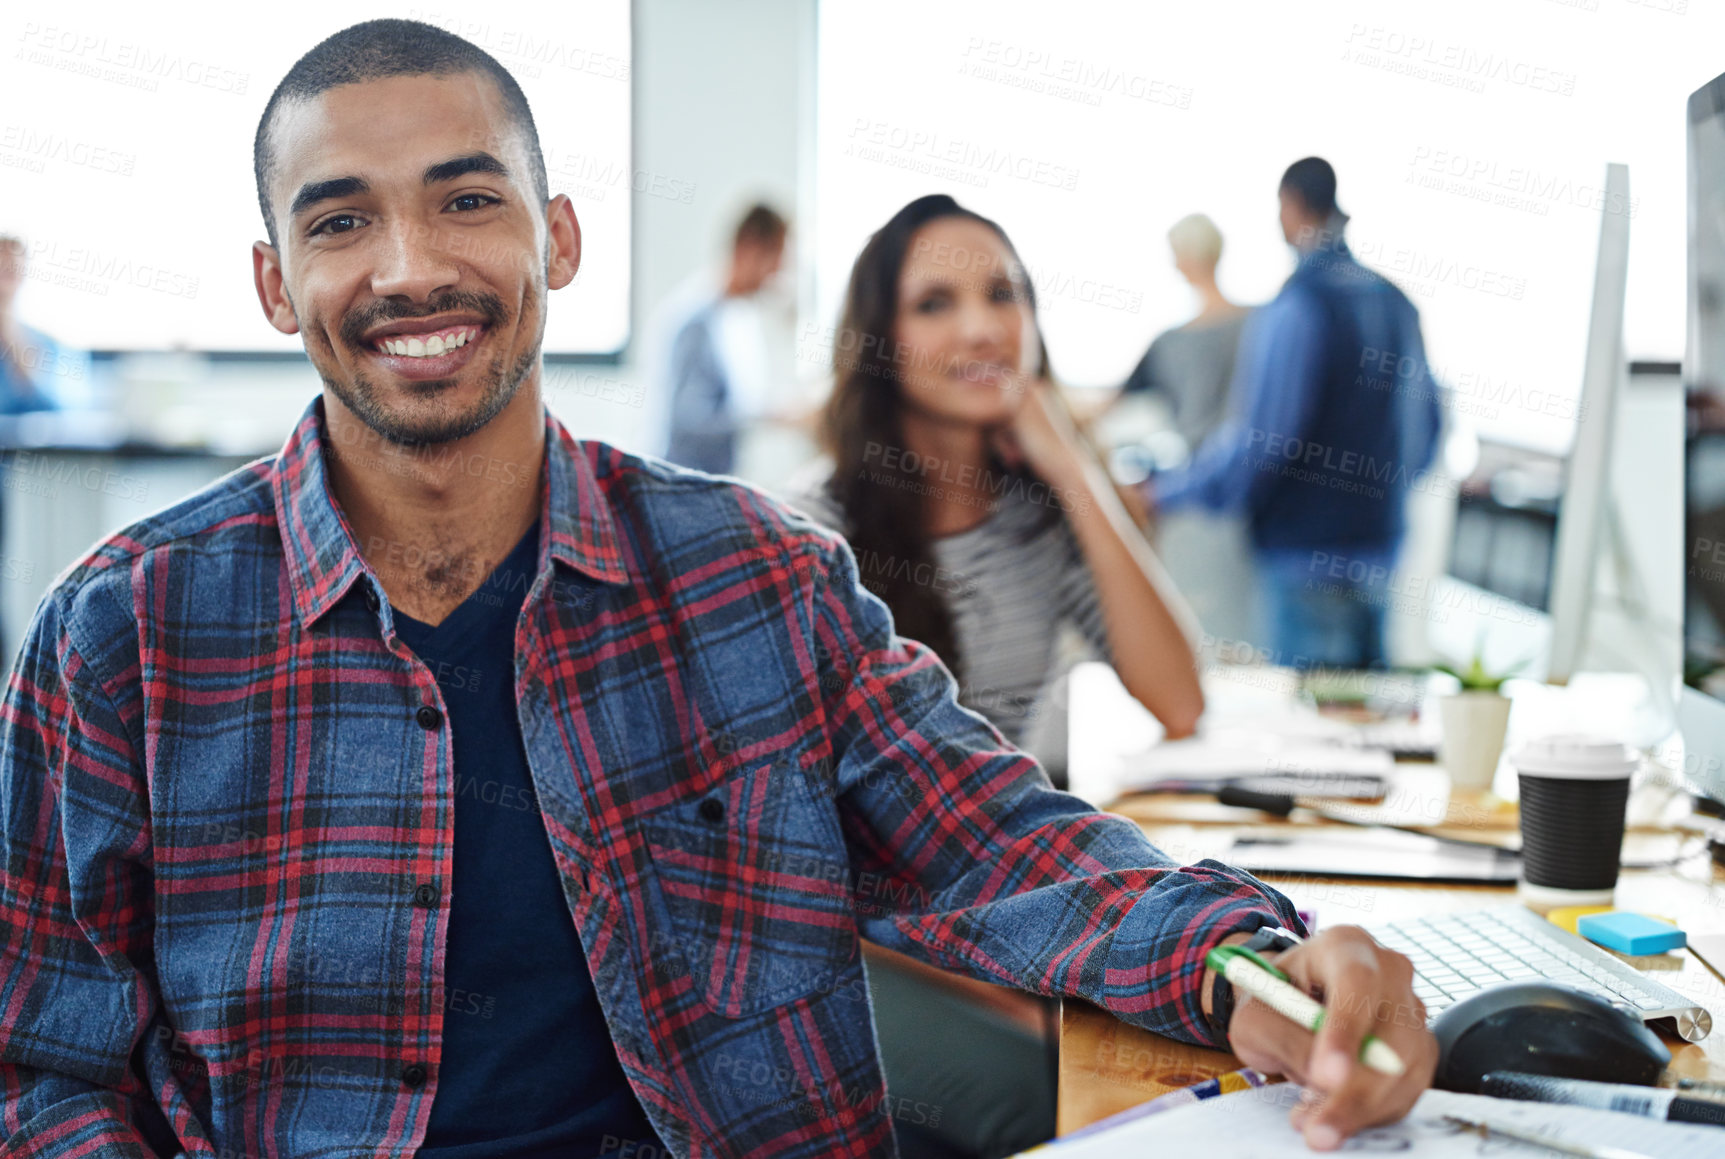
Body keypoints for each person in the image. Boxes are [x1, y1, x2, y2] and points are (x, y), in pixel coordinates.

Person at [0, 25, 1435, 1159]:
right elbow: (42, 1072)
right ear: (271, 283)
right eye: (337, 224)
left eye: (466, 200)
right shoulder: (127, 633)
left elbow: (998, 842)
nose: (411, 266)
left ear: (558, 241)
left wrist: (1257, 960)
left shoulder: (755, 579)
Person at [1145, 158, 1444, 670]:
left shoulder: (1297, 308)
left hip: (1305, 556)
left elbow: (1262, 441)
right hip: (1381, 549)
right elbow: (1432, 427)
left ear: (1291, 206)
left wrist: (1165, 492)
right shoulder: (1397, 303)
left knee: (1307, 734)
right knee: (1369, 729)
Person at [1115, 212, 1257, 647]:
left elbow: (1110, 405)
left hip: (1199, 501)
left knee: (1203, 630)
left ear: (1186, 259)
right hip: (1254, 503)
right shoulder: (1262, 323)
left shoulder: (1173, 341)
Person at [660, 203, 789, 475]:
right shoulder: (696, 322)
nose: (779, 270)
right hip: (682, 482)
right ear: (749, 248)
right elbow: (690, 417)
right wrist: (770, 414)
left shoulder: (735, 317)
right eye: (776, 255)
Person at [0, 236, 73, 416]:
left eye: (12, 267)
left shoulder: (47, 345)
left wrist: (11, 335)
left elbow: (55, 410)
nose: (6, 268)